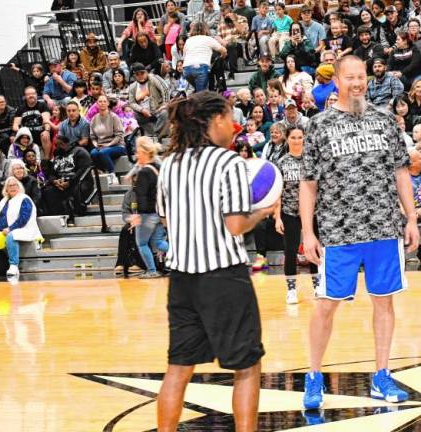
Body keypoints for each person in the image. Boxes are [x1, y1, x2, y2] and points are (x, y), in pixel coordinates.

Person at [300, 55, 419, 410]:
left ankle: (381, 375)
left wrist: (411, 217)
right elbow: (308, 183)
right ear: (336, 81)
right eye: (350, 77)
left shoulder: (385, 120)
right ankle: (314, 376)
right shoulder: (319, 126)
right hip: (338, 231)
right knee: (326, 305)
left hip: (383, 226)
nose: (357, 83)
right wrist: (308, 232)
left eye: (361, 77)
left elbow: (401, 172)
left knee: (384, 302)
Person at [156, 92, 271, 432]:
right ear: (214, 120)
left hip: (182, 279)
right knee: (247, 366)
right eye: (230, 117)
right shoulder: (230, 163)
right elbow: (236, 225)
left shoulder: (169, 164)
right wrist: (262, 212)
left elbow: (166, 220)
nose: (234, 126)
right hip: (223, 277)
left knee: (178, 369)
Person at [273, 126, 319, 304]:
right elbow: (277, 192)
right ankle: (291, 290)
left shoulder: (311, 161)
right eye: (294, 137)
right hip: (290, 212)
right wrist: (277, 217)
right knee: (290, 250)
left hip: (311, 212)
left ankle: (317, 285)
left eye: (300, 137)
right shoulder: (282, 162)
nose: (297, 140)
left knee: (314, 249)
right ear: (287, 139)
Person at [0, 177, 42, 278]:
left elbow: (24, 218)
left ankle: (14, 265)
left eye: (15, 185)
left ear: (19, 187)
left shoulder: (24, 199)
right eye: (10, 186)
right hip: (2, 230)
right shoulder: (3, 200)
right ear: (6, 189)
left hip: (22, 228)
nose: (12, 187)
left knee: (11, 236)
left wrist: (10, 228)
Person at [127, 137, 168, 279]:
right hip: (159, 212)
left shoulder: (144, 172)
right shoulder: (158, 167)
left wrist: (138, 215)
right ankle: (182, 253)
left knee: (142, 243)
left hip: (147, 214)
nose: (136, 156)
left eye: (138, 153)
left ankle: (152, 270)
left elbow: (141, 196)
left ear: (145, 153)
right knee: (158, 242)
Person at [42, 136, 93, 225]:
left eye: (59, 144)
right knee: (47, 191)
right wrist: (55, 181)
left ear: (66, 143)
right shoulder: (57, 156)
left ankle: (75, 213)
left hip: (78, 181)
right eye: (56, 145)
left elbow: (83, 170)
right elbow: (51, 173)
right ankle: (59, 217)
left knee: (77, 189)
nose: (57, 147)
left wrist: (69, 182)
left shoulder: (80, 151)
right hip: (61, 183)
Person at [127, 63, 171, 137]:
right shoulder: (132, 86)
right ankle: (151, 135)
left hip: (158, 109)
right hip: (143, 113)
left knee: (165, 112)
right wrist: (142, 110)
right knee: (134, 114)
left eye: (142, 73)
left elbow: (165, 89)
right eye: (137, 74)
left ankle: (158, 134)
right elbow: (132, 103)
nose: (140, 76)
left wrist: (165, 104)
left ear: (146, 72)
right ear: (134, 76)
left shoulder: (154, 78)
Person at [12, 87, 52, 160]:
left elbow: (47, 120)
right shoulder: (21, 109)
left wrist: (47, 130)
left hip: (40, 134)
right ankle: (20, 158)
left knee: (45, 135)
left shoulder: (42, 105)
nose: (31, 95)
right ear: (25, 96)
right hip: (27, 136)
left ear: (36, 95)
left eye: (33, 93)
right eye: (28, 94)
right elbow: (15, 125)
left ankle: (47, 159)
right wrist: (20, 132)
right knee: (13, 138)